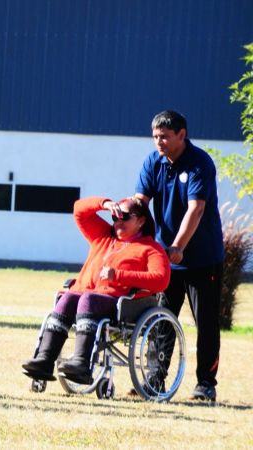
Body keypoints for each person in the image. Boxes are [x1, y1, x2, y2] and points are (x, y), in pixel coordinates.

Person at [22, 196, 170, 385]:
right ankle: (44, 360)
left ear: (141, 221)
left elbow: (161, 280)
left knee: (87, 300)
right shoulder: (102, 236)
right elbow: (79, 210)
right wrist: (105, 205)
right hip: (84, 296)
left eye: (124, 216)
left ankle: (81, 364)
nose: (118, 221)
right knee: (67, 298)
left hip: (117, 303)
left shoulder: (151, 249)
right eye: (115, 217)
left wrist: (118, 275)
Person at [134, 110, 224, 402]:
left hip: (201, 258)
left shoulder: (199, 163)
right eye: (155, 136)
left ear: (181, 135)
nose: (158, 142)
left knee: (206, 323)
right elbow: (140, 202)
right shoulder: (153, 161)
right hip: (166, 258)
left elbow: (195, 209)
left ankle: (205, 385)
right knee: (161, 318)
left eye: (165, 136)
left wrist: (178, 247)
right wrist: (128, 218)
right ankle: (155, 381)